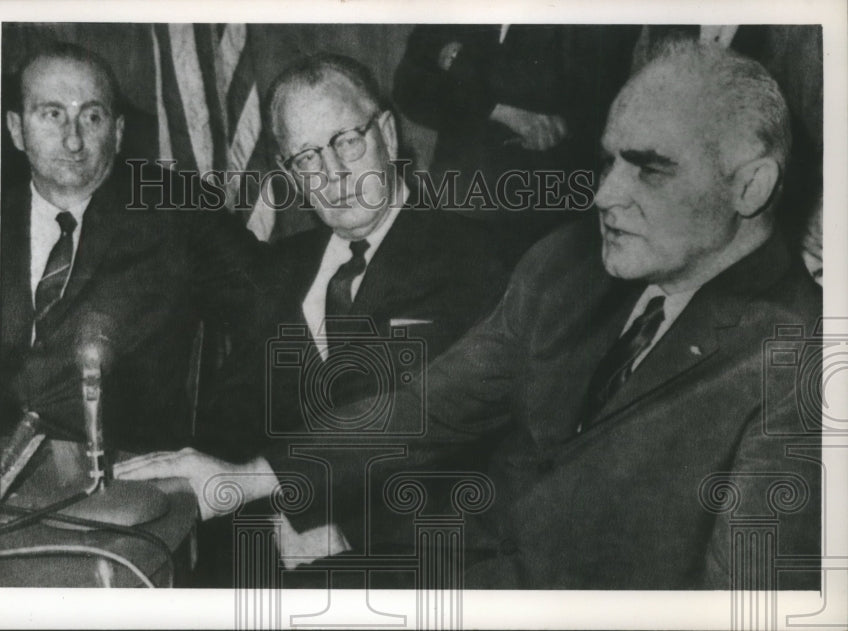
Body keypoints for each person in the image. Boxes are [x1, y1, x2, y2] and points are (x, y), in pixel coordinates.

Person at [118, 40, 821, 589]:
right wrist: (246, 478)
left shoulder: (802, 360)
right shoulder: (566, 270)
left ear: (750, 185)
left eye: (649, 168)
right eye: (608, 162)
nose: (604, 194)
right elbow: (422, 408)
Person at [189, 53, 507, 580]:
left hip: (407, 560)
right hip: (265, 558)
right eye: (308, 157)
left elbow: (457, 445)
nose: (334, 175)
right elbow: (230, 421)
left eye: (347, 142)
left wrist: (342, 528)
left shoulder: (473, 261)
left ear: (387, 132)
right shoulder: (280, 271)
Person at [0, 43, 263, 453]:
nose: (73, 140)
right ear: (17, 130)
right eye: (52, 114)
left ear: (118, 132)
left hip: (123, 479)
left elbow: (271, 305)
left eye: (92, 116)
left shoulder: (176, 210)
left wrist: (218, 447)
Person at [393, 25, 640, 266]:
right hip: (454, 202)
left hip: (544, 211)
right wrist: (499, 110)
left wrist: (460, 62)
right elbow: (409, 88)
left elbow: (577, 95)